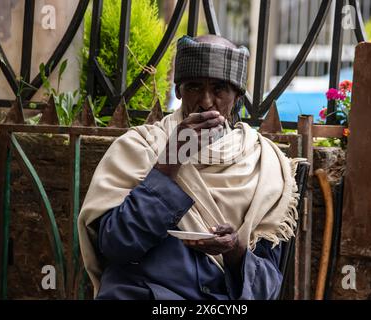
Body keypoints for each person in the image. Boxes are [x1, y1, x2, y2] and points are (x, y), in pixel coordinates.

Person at [78, 34, 300, 300]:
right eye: (194, 87)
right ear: (178, 91)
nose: (206, 102)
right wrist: (169, 163)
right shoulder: (140, 147)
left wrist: (234, 252)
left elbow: (267, 289)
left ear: (237, 96)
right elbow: (115, 246)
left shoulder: (264, 166)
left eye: (220, 89)